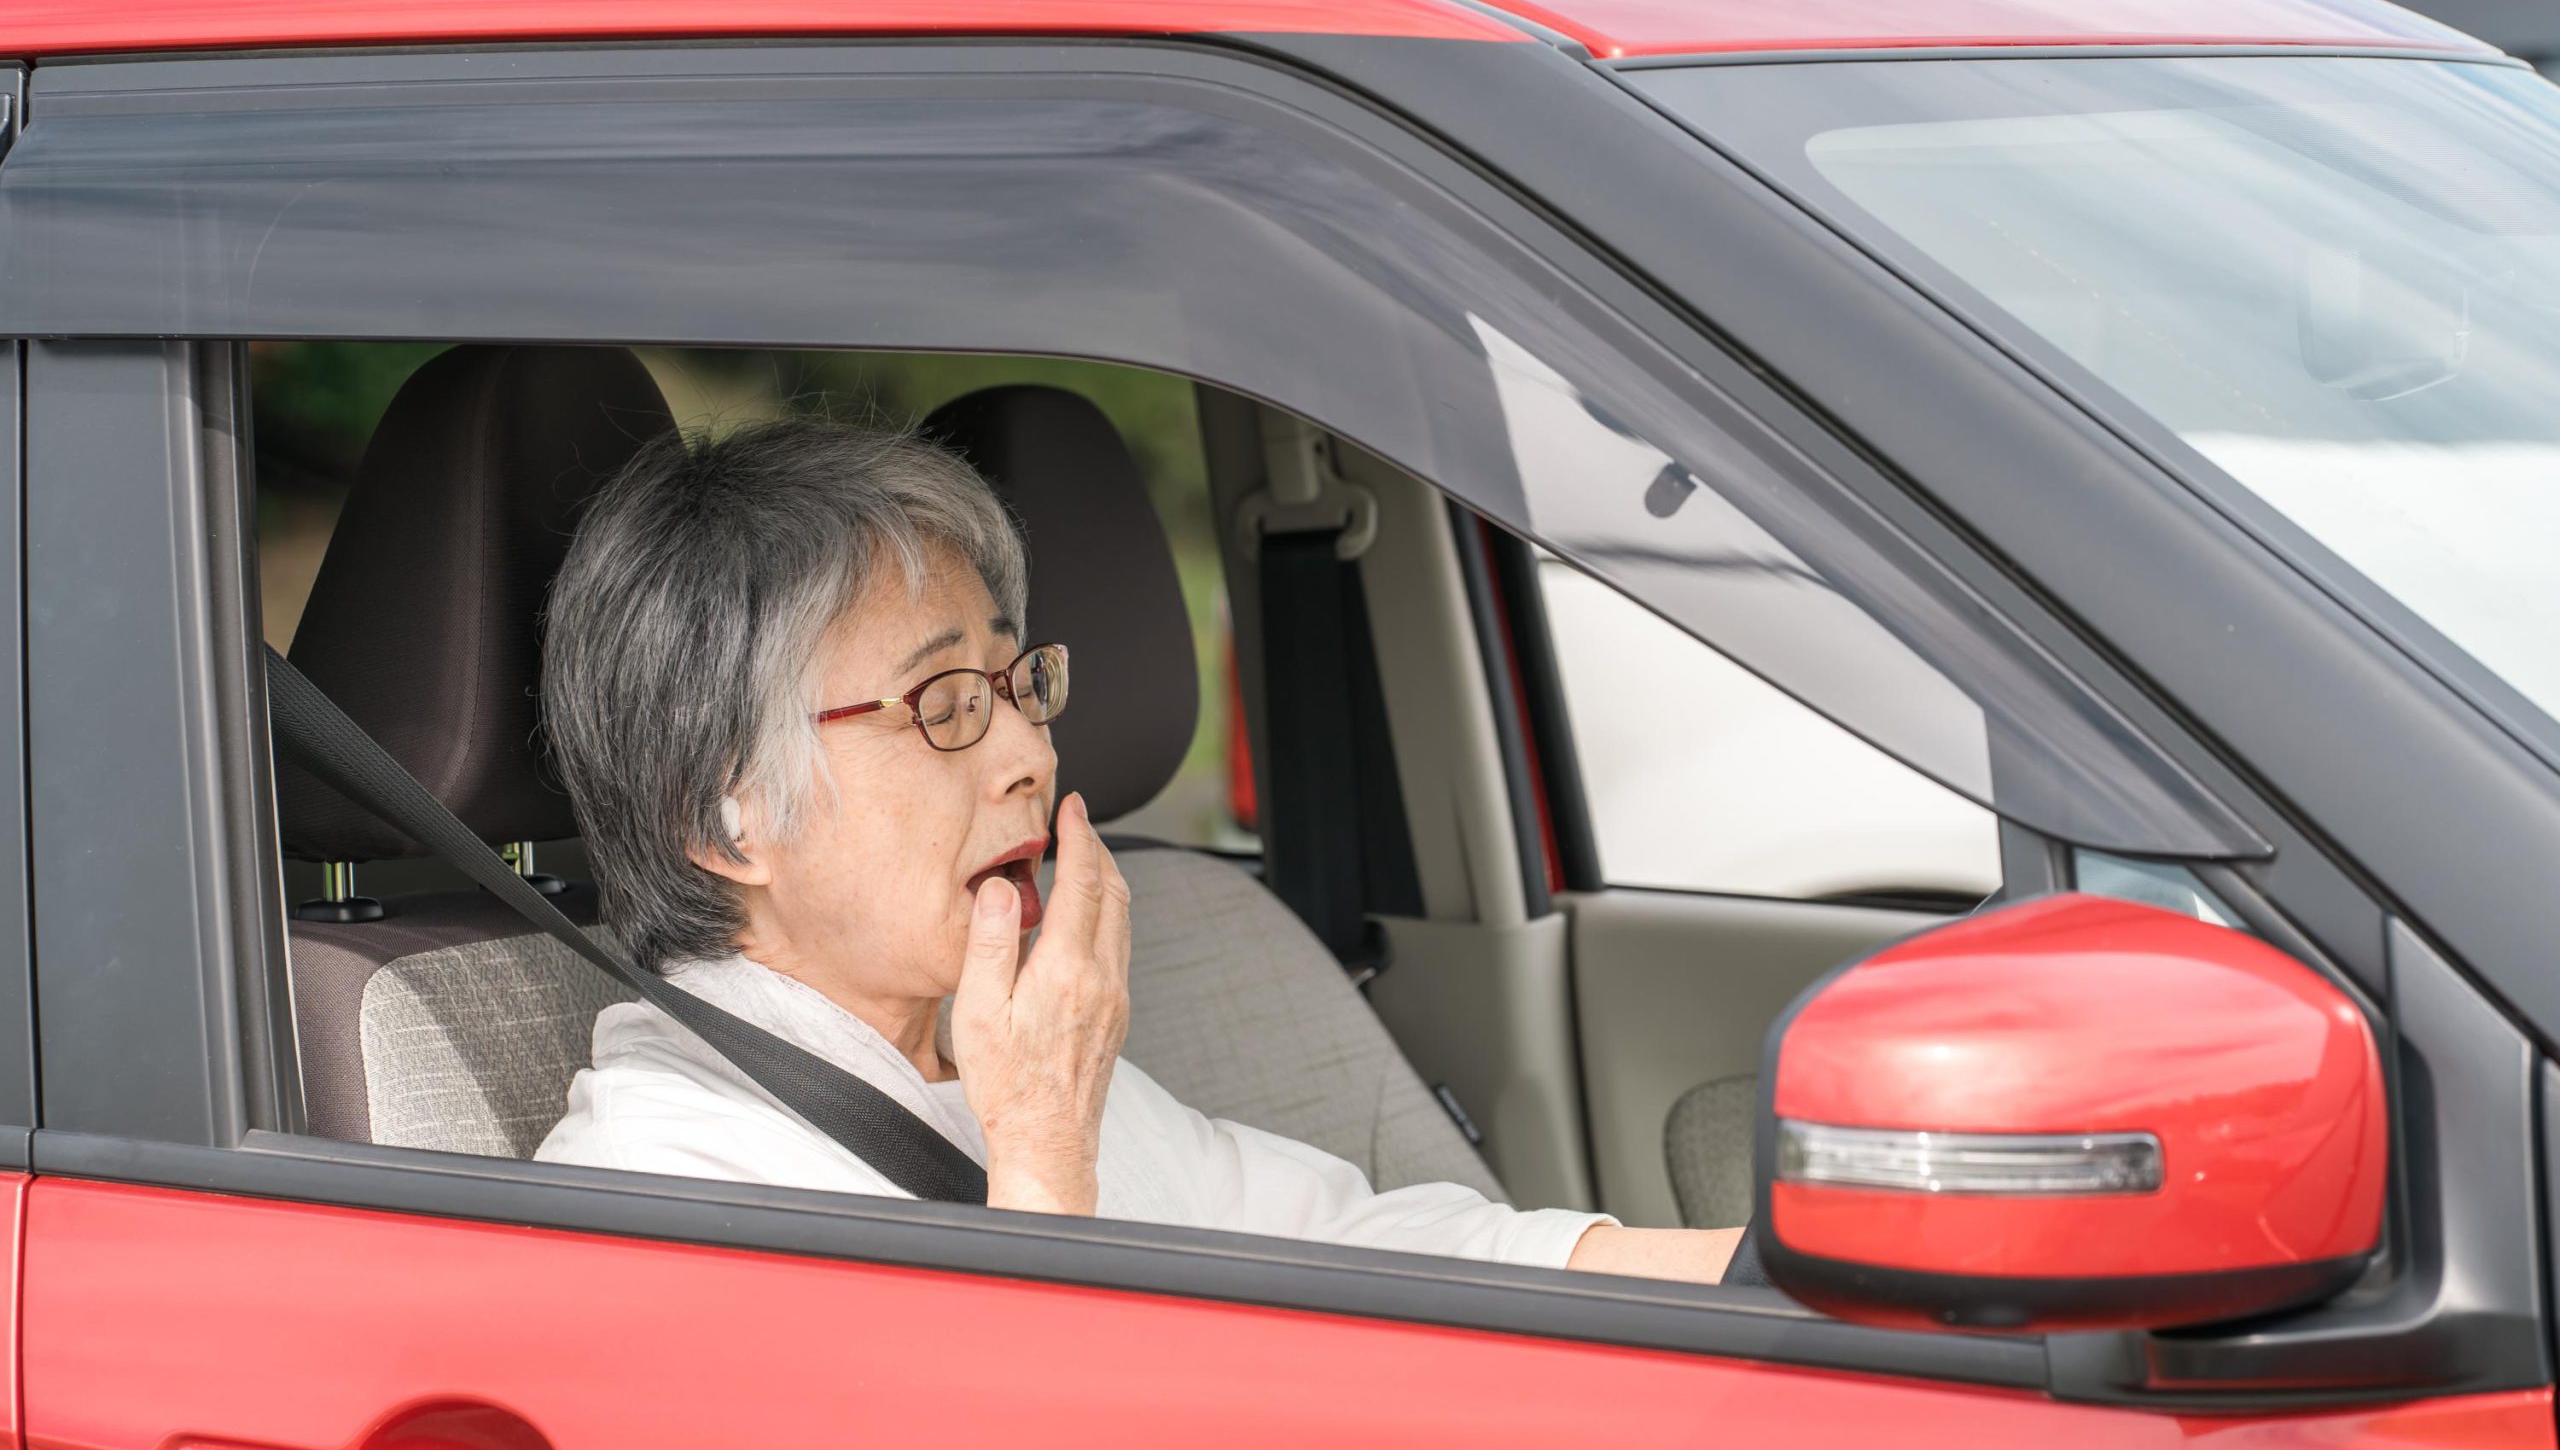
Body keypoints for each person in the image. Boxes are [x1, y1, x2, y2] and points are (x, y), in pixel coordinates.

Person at [536, 417, 1741, 1284]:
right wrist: (1044, 1160)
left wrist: (1764, 1284)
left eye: (1017, 685)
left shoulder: (993, 1054)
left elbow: (1355, 1250)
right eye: (945, 702)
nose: (1028, 753)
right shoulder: (653, 1193)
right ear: (723, 817)